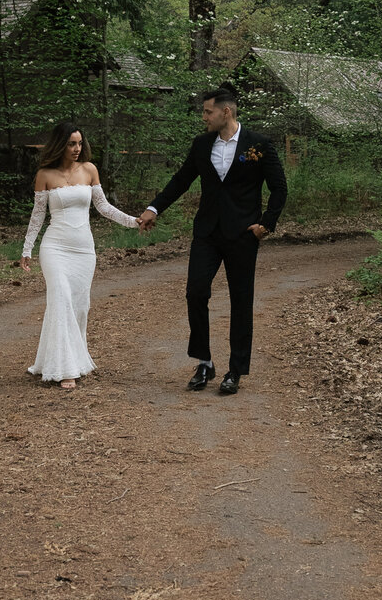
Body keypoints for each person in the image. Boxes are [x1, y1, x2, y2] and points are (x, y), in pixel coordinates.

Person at [137, 84, 287, 395]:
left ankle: (236, 369)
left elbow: (279, 188)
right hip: (206, 233)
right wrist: (154, 208)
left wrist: (266, 224)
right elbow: (181, 180)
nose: (204, 117)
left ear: (225, 112)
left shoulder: (258, 144)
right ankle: (204, 362)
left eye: (208, 112)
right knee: (195, 292)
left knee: (241, 301)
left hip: (243, 234)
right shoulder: (202, 144)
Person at [20, 121, 143, 390]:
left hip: (83, 250)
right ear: (59, 145)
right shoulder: (45, 174)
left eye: (79, 143)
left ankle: (70, 359)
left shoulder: (89, 170)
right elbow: (38, 215)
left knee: (79, 306)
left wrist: (133, 221)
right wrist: (27, 249)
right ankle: (65, 369)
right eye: (71, 144)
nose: (77, 148)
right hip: (55, 248)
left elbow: (104, 207)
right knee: (60, 298)